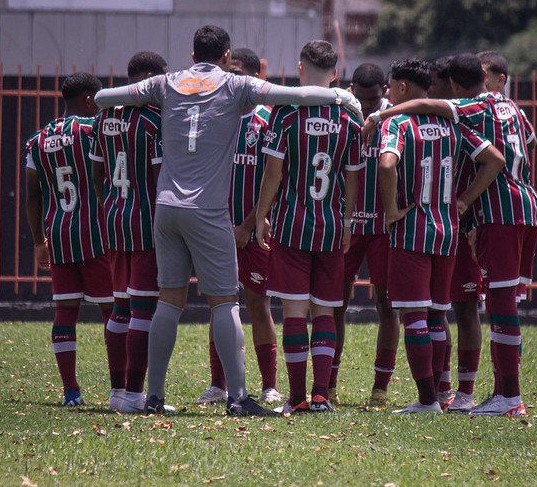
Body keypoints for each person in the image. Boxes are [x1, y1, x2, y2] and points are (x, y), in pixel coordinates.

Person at [94, 25, 362, 416]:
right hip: (208, 210)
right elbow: (297, 94)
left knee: (168, 301)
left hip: (166, 208)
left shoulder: (166, 84)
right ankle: (237, 397)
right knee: (224, 304)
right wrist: (339, 94)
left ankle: (153, 397)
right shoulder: (236, 86)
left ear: (192, 56)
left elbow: (102, 97)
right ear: (226, 56)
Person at [365, 53, 537, 417]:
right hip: (478, 221)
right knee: (454, 309)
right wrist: (461, 203)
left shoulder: (451, 114)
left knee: (432, 312)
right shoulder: (504, 111)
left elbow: (387, 164)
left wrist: (397, 208)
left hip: (438, 223)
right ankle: (461, 393)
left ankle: (454, 398)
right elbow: (519, 147)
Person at [254, 40, 363, 414]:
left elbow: (273, 173)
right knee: (326, 312)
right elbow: (352, 179)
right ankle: (320, 396)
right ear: (335, 75)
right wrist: (348, 222)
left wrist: (259, 216)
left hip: (291, 227)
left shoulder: (284, 115)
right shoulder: (349, 120)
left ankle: (297, 397)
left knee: (295, 312)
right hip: (331, 227)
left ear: (300, 69)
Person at [195, 48, 283, 405]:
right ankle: (220, 384)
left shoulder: (266, 120)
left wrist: (249, 224)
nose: (229, 81)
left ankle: (269, 386)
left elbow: (277, 178)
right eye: (226, 73)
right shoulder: (214, 116)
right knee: (219, 305)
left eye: (237, 74)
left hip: (254, 231)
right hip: (217, 230)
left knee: (259, 304)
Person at [25, 72, 115, 407]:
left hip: (58, 237)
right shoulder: (93, 131)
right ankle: (118, 388)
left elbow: (32, 196)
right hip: (95, 235)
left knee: (65, 311)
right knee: (114, 311)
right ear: (89, 100)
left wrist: (38, 241)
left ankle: (71, 391)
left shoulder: (37, 141)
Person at [90, 51, 168, 413]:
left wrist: (109, 204)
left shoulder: (104, 117)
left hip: (113, 216)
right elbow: (156, 179)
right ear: (150, 78)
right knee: (143, 310)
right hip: (145, 221)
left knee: (120, 307)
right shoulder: (154, 121)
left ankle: (117, 392)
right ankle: (136, 395)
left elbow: (96, 176)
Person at [331, 63, 398, 407]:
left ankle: (380, 388)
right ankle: (328, 384)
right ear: (351, 88)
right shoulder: (342, 115)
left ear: (385, 90)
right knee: (334, 304)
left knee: (386, 305)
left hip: (383, 228)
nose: (369, 105)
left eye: (375, 98)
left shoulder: (395, 117)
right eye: (363, 98)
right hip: (348, 225)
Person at [428, 55, 483, 413]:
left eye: (435, 83)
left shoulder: (465, 119)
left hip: (462, 228)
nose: (431, 90)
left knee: (464, 308)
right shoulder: (436, 120)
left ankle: (464, 391)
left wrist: (465, 203)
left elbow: (497, 158)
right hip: (433, 225)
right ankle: (441, 388)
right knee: (436, 308)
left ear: (451, 86)